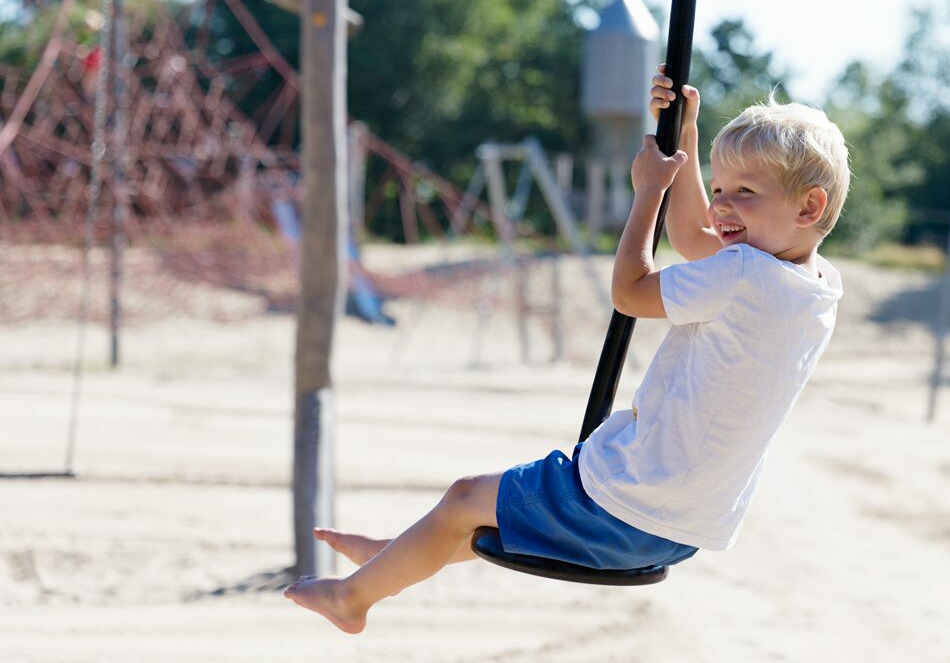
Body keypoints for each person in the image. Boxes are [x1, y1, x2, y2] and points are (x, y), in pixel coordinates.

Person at [283, 70, 851, 634]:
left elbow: (630, 293)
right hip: (684, 527)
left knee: (464, 497)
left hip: (629, 502)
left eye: (743, 193)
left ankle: (353, 599)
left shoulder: (745, 271)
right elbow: (697, 239)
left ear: (808, 207)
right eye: (719, 188)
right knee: (482, 514)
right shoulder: (815, 284)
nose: (721, 206)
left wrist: (650, 190)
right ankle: (398, 555)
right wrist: (686, 143)